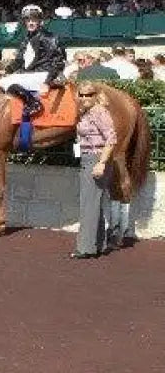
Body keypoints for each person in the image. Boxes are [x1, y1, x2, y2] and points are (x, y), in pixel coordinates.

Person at [72, 82, 117, 259]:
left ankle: (85, 248)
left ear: (95, 95)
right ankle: (97, 245)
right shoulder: (86, 112)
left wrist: (102, 163)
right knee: (94, 204)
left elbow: (111, 138)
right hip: (87, 158)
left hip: (96, 159)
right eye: (81, 95)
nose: (84, 98)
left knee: (88, 205)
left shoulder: (99, 112)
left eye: (88, 95)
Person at [0, 5, 66, 118]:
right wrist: (6, 70)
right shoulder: (25, 40)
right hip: (31, 74)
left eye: (34, 20)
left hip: (45, 74)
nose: (30, 23)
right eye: (28, 20)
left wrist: (47, 82)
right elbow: (19, 61)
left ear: (40, 21)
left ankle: (33, 104)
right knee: (3, 80)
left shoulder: (49, 37)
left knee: (4, 82)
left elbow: (59, 62)